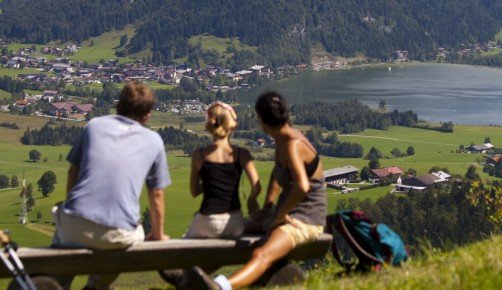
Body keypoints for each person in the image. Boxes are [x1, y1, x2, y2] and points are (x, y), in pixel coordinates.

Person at [190, 92, 326, 290]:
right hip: (286, 216)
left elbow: (302, 186)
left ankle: (220, 287)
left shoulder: (293, 144)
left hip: (305, 221)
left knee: (262, 253)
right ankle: (191, 278)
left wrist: (281, 215)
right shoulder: (282, 139)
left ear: (262, 120)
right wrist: (268, 206)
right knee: (234, 237)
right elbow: (276, 176)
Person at [51, 81, 171, 290]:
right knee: (130, 238)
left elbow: (73, 172)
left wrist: (72, 205)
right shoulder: (153, 141)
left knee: (63, 224)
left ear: (119, 105)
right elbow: (157, 194)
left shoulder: (94, 126)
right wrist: (158, 234)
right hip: (118, 232)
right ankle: (97, 285)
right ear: (148, 114)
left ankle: (59, 284)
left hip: (74, 224)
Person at [184, 101, 261, 239]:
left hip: (207, 220)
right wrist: (252, 200)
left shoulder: (199, 155)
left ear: (209, 125)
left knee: (185, 243)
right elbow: (257, 186)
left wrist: (211, 184)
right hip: (234, 221)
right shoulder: (242, 154)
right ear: (232, 125)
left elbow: (194, 191)